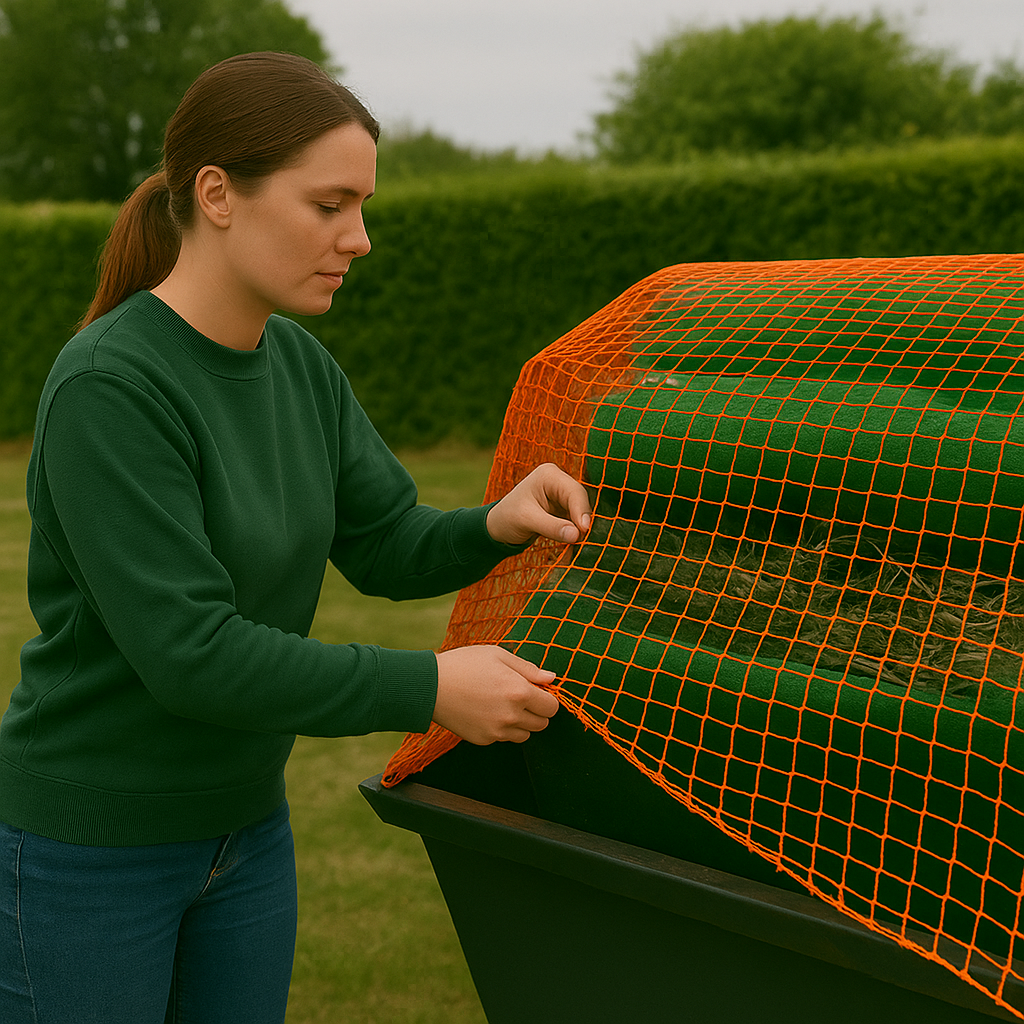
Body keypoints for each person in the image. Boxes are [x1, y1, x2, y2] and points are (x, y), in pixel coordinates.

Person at [0, 51, 590, 1023]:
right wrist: (434, 687)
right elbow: (193, 656)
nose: (357, 238)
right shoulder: (111, 385)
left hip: (244, 837)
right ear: (219, 194)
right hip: (86, 857)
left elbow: (386, 540)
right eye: (330, 204)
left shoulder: (299, 364)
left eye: (361, 205)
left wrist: (497, 520)